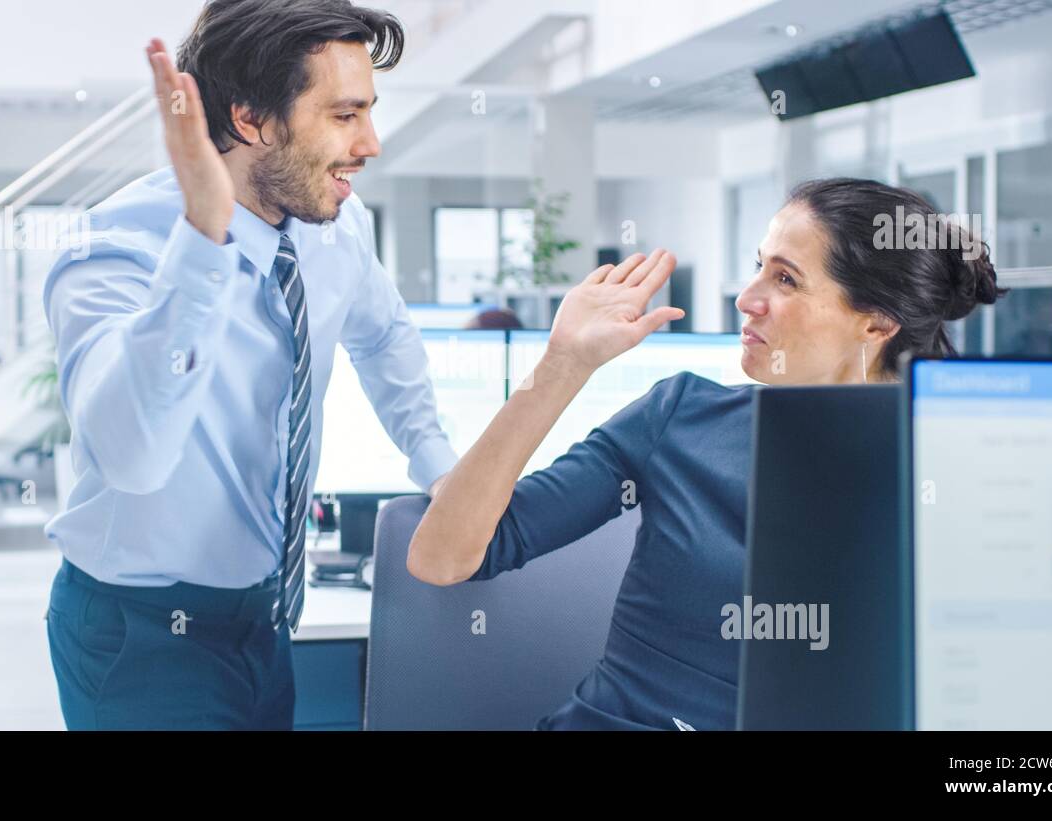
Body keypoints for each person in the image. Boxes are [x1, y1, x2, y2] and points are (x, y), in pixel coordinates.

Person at [408, 178, 1005, 730]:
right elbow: (444, 557)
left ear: (876, 325)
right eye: (757, 270)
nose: (748, 298)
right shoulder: (682, 415)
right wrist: (563, 364)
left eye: (786, 279)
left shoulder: (952, 475)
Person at [43, 0, 457, 730]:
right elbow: (132, 458)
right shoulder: (110, 247)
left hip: (266, 616)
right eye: (344, 115)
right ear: (251, 120)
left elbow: (386, 339)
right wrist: (205, 238)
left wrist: (444, 474)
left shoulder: (339, 225)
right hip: (140, 633)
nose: (371, 144)